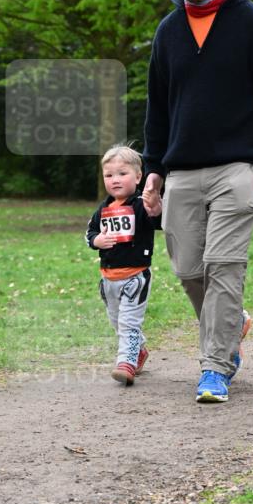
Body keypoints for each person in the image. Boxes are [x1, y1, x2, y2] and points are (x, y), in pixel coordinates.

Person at [142, 0, 253, 403]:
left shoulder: (252, 22)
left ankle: (215, 367)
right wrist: (153, 169)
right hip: (183, 169)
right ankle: (234, 325)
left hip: (238, 169)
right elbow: (158, 108)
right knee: (190, 268)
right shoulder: (168, 32)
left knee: (224, 266)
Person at [85, 145, 162, 386]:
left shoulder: (141, 204)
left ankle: (126, 363)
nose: (115, 180)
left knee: (129, 322)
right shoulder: (104, 208)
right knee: (117, 321)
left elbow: (157, 220)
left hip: (134, 276)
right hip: (108, 279)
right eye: (109, 175)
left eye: (122, 174)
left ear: (138, 177)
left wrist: (156, 206)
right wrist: (97, 240)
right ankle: (138, 350)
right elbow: (90, 231)